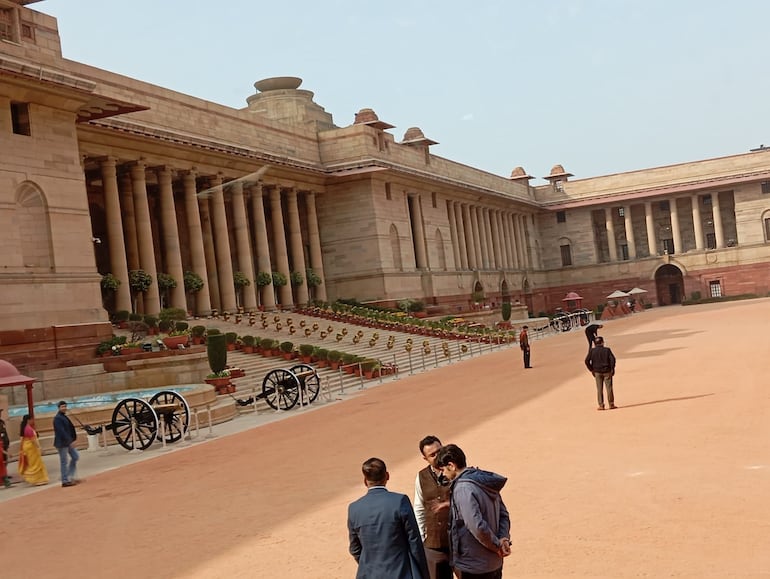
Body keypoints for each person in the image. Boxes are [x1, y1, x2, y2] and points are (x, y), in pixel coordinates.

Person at [436, 444, 511, 579]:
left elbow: (476, 526)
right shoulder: (484, 482)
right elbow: (503, 515)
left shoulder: (462, 488)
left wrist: (497, 546)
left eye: (443, 470)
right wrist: (503, 538)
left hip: (475, 566)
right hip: (494, 563)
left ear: (451, 465)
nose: (443, 475)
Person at [348, 457, 429, 579]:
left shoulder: (354, 508)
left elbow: (355, 548)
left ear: (365, 481)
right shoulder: (400, 501)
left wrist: (369, 564)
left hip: (370, 574)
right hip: (401, 573)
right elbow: (414, 542)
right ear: (387, 476)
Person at [414, 436, 452, 579]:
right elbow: (419, 508)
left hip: (460, 541)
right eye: (432, 454)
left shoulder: (456, 469)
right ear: (425, 458)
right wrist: (423, 536)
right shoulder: (421, 477)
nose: (438, 456)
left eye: (439, 451)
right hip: (434, 544)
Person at [585, 336, 617, 410]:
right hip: (607, 371)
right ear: (602, 342)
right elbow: (613, 359)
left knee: (599, 389)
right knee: (609, 388)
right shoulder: (607, 350)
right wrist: (612, 368)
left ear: (595, 344)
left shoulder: (592, 351)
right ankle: (611, 404)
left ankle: (601, 405)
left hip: (597, 372)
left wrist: (591, 369)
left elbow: (586, 361)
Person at [53, 401, 80, 487]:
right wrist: (70, 441)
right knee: (64, 461)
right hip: (62, 443)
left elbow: (70, 428)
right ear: (59, 408)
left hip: (68, 442)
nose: (64, 408)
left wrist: (73, 439)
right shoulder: (57, 418)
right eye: (62, 407)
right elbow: (61, 431)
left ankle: (69, 475)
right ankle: (65, 480)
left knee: (75, 457)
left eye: (65, 406)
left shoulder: (64, 417)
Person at [18, 414, 49, 486]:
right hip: (31, 448)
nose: (33, 421)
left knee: (32, 462)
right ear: (29, 420)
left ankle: (37, 479)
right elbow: (33, 440)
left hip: (27, 447)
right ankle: (37, 479)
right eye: (32, 419)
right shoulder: (28, 428)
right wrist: (39, 447)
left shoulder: (24, 428)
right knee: (36, 463)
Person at [0, 408, 10, 487]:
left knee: (5, 460)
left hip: (4, 443)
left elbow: (4, 433)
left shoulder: (2, 422)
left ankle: (5, 474)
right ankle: (3, 477)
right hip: (0, 445)